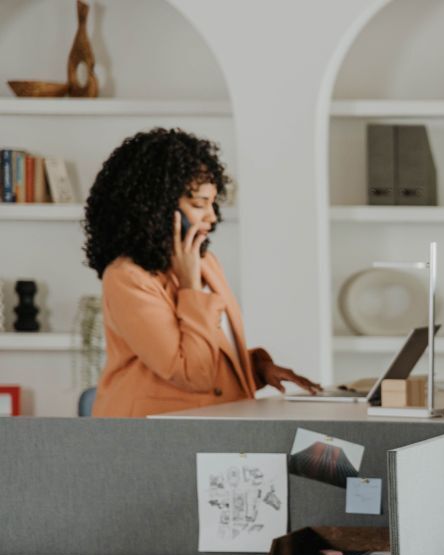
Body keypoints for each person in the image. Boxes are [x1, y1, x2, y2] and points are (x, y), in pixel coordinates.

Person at [83, 128, 319, 418]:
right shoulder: (128, 278)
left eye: (212, 203)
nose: (212, 216)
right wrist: (190, 287)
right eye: (199, 204)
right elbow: (192, 373)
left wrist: (257, 368)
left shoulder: (205, 262)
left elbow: (206, 351)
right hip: (153, 431)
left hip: (212, 422)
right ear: (157, 207)